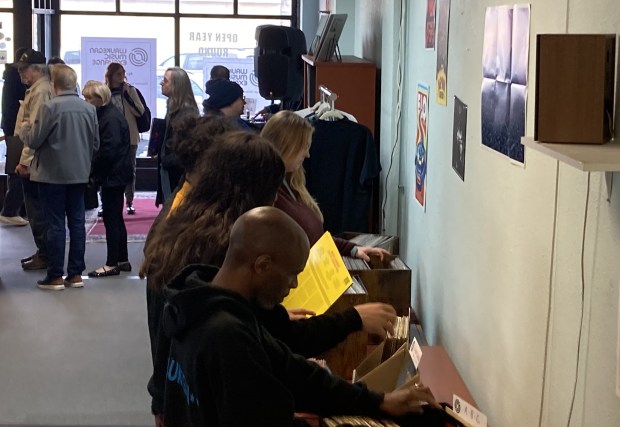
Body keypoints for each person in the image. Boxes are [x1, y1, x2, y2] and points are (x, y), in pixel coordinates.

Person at [160, 206, 439, 426]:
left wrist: (378, 401)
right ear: (262, 265)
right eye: (292, 274)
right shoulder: (226, 335)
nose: (293, 285)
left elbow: (293, 370)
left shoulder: (203, 300)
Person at [142, 129, 285, 423]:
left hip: (175, 381)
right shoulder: (225, 243)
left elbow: (165, 322)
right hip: (198, 390)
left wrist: (160, 397)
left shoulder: (183, 221)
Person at [261, 110, 390, 261]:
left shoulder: (290, 184)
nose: (307, 154)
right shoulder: (267, 194)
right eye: (304, 146)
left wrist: (352, 249)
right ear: (287, 145)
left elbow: (315, 238)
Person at [21, 64, 99, 290]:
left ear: (54, 85)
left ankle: (55, 275)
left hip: (51, 175)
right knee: (77, 223)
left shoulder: (49, 107)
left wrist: (25, 127)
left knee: (55, 224)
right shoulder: (89, 109)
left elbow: (34, 140)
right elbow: (95, 144)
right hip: (79, 175)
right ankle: (75, 274)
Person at [81, 80, 133, 277]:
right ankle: (122, 259)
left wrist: (95, 173)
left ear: (99, 99)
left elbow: (108, 151)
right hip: (117, 173)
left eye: (88, 98)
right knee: (116, 218)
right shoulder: (109, 115)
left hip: (113, 174)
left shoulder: (108, 118)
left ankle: (112, 263)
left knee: (112, 218)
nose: (85, 101)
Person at [14, 49, 55, 271]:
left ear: (37, 69)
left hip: (36, 162)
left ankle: (46, 255)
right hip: (34, 159)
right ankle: (43, 252)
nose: (20, 72)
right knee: (35, 211)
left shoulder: (41, 92)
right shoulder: (36, 89)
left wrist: (25, 162)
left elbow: (36, 131)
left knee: (38, 212)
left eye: (24, 68)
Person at [105, 62, 146, 215]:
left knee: (130, 170)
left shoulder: (130, 90)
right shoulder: (105, 92)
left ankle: (129, 201)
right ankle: (106, 202)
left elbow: (140, 111)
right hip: (110, 137)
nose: (121, 77)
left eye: (123, 73)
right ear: (110, 76)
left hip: (129, 137)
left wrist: (128, 95)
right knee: (108, 169)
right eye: (118, 74)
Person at [156, 67, 199, 206]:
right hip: (170, 169)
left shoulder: (186, 114)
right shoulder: (174, 109)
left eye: (165, 81)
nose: (161, 83)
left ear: (176, 86)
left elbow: (187, 148)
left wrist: (167, 160)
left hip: (176, 173)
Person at [0, 47, 28, 227]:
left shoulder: (10, 77)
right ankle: (10, 209)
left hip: (12, 128)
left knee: (16, 167)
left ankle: (13, 208)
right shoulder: (16, 78)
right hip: (16, 129)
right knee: (19, 167)